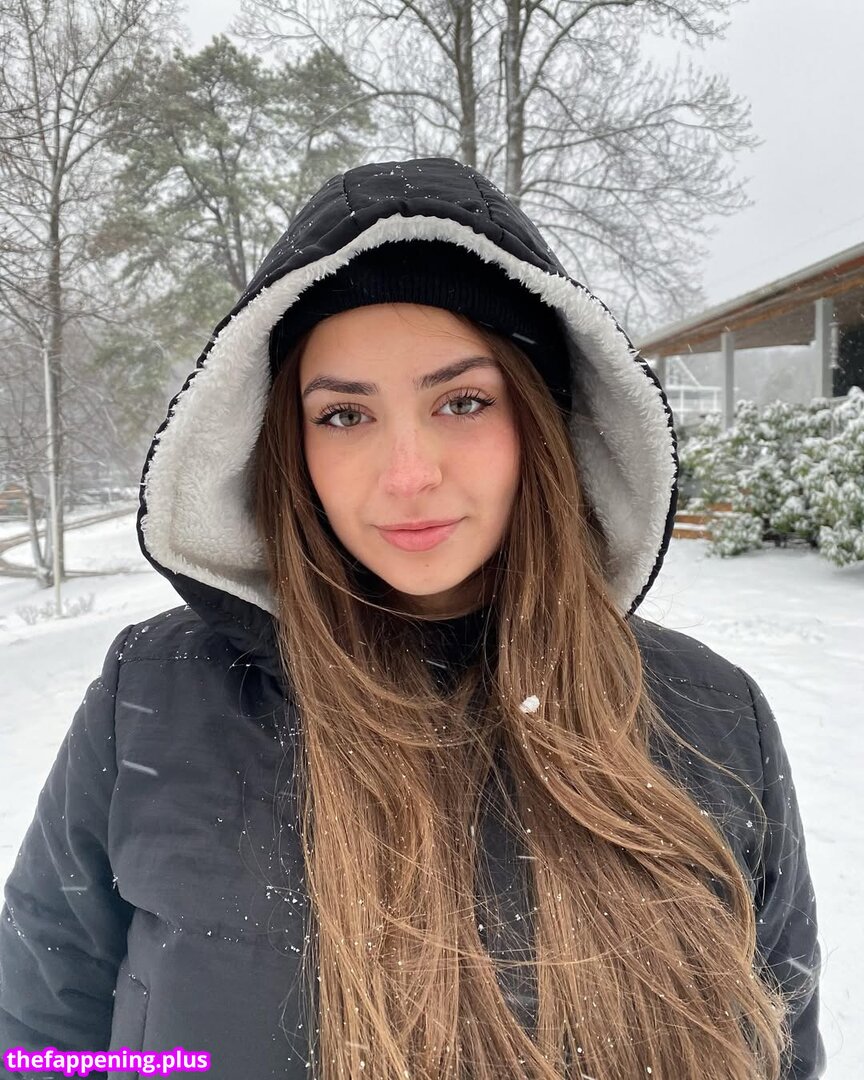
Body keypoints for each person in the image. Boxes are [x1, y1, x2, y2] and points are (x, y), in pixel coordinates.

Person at [0, 157, 825, 1080]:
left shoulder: (712, 721)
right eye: (343, 415)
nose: (407, 474)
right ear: (287, 443)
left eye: (462, 401)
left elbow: (780, 1049)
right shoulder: (155, 701)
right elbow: (39, 1027)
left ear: (542, 423)